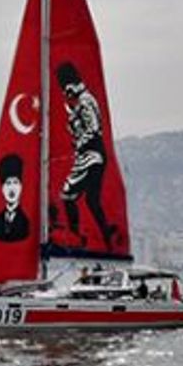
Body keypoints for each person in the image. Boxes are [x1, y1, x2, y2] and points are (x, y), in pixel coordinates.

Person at [55, 62, 117, 251]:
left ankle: (75, 237)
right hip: (96, 155)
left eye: (65, 88)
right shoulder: (83, 101)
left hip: (90, 155)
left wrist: (79, 143)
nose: (64, 93)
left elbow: (93, 128)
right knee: (92, 200)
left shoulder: (85, 101)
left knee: (67, 194)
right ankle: (107, 236)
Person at [0, 154, 31, 242]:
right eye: (8, 183)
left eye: (15, 182)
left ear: (21, 186)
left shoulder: (27, 223)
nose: (12, 188)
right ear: (2, 188)